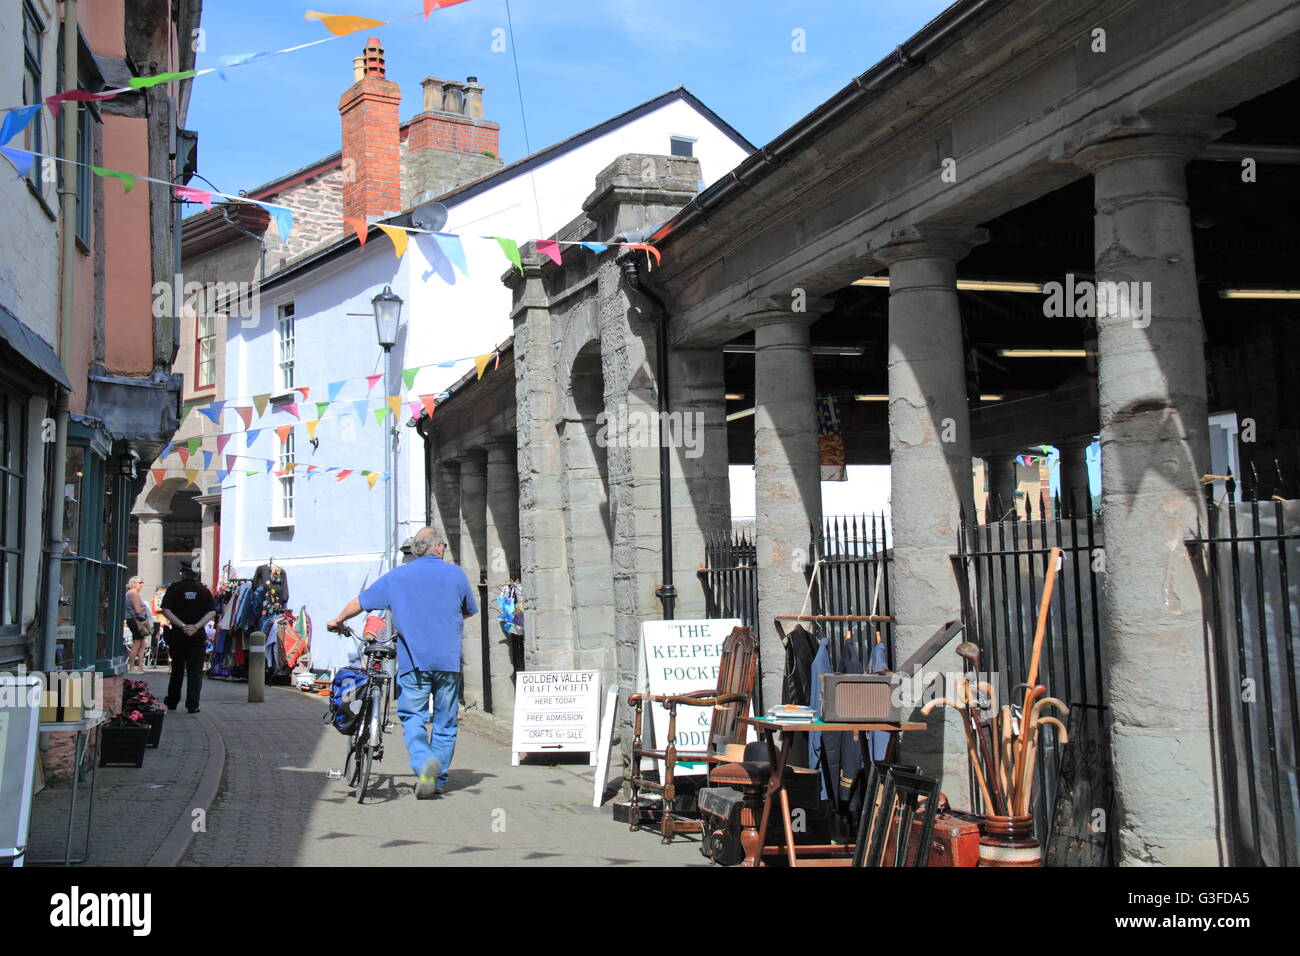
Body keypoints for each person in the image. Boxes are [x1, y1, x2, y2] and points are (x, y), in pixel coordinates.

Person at [328, 527, 477, 799]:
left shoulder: (398, 577)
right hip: (448, 662)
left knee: (413, 717)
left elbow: (361, 602)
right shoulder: (455, 575)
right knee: (445, 721)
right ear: (438, 548)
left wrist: (339, 620)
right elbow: (468, 609)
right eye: (442, 544)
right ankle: (438, 777)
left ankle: (423, 764)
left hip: (415, 662)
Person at [160, 560, 216, 714]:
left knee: (177, 669)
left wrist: (183, 625)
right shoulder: (203, 590)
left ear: (183, 573)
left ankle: (172, 701)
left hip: (178, 635)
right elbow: (212, 612)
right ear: (197, 574)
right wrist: (196, 626)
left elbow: (165, 610)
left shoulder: (174, 589)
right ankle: (193, 705)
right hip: (197, 636)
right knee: (195, 671)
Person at [124, 576, 153, 672]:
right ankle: (132, 666)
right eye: (140, 583)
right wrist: (145, 607)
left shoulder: (131, 593)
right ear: (134, 583)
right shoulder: (133, 593)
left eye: (142, 583)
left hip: (135, 620)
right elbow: (138, 610)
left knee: (142, 643)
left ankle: (140, 665)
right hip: (136, 620)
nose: (141, 585)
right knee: (137, 642)